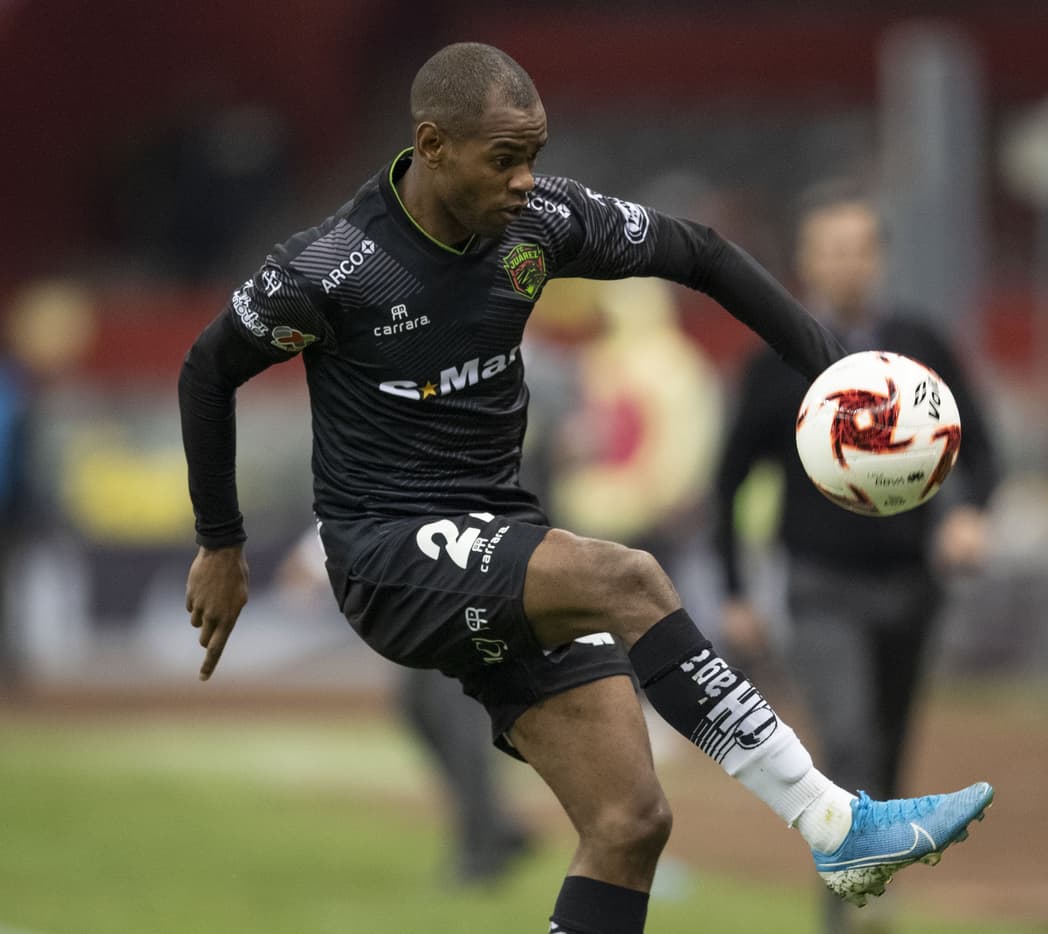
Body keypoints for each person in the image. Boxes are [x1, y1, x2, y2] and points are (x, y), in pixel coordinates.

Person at [179, 43, 992, 933]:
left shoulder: (541, 223)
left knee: (629, 822)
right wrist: (222, 542)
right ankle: (836, 823)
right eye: (505, 160)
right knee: (627, 577)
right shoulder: (331, 270)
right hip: (387, 552)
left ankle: (833, 830)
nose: (529, 180)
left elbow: (703, 253)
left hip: (499, 539)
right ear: (432, 145)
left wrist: (826, 371)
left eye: (535, 155)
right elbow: (207, 370)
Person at [712, 182, 1000, 931]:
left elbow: (984, 449)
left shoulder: (922, 347)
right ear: (805, 261)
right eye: (829, 250)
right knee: (848, 735)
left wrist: (970, 512)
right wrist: (737, 591)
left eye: (858, 249)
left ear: (879, 258)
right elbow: (728, 480)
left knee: (891, 743)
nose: (845, 264)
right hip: (818, 582)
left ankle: (872, 881)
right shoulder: (772, 361)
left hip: (912, 582)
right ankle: (847, 906)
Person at [275, 528, 533, 885]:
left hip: (461, 593)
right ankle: (495, 826)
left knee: (458, 720)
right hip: (428, 606)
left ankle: (483, 853)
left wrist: (312, 562)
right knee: (419, 709)